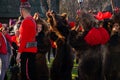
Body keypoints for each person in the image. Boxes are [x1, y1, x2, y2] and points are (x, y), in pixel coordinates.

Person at [16, 1, 37, 80]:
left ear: (22, 10)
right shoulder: (32, 20)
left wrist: (18, 54)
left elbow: (24, 40)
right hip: (31, 51)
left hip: (26, 52)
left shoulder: (26, 21)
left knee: (26, 75)